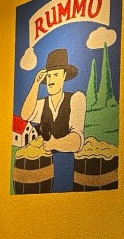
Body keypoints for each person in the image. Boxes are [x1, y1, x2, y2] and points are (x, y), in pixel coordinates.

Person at [20, 47, 86, 192]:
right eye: (48, 76)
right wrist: (36, 84)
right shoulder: (42, 104)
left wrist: (53, 144)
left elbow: (76, 140)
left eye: (55, 75)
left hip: (66, 165)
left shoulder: (76, 98)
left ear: (64, 76)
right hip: (44, 167)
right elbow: (25, 115)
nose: (50, 81)